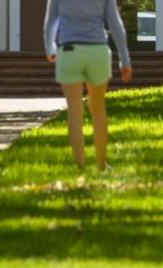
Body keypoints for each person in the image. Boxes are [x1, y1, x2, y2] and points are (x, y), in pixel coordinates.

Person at [45, 0, 135, 170]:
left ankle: (80, 166)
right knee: (98, 109)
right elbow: (115, 23)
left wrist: (50, 47)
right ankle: (101, 164)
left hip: (69, 51)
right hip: (98, 51)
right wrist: (124, 60)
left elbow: (51, 21)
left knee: (74, 111)